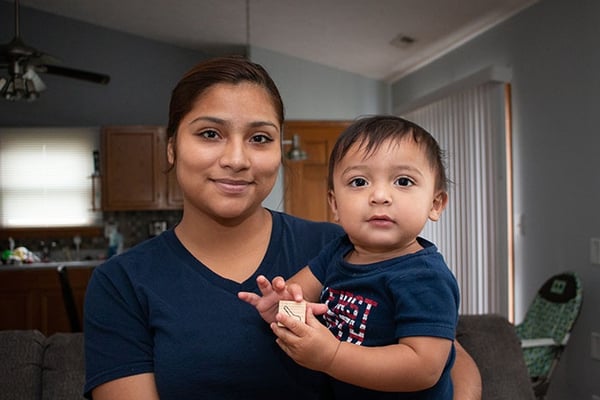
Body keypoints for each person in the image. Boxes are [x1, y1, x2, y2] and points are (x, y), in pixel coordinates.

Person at [83, 56, 481, 400]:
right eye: (210, 134)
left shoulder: (346, 248)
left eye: (259, 138)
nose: (237, 159)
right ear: (171, 147)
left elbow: (447, 361)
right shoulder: (122, 283)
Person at [239, 115, 459, 398]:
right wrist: (282, 310)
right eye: (359, 182)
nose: (380, 195)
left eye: (403, 181)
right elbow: (297, 295)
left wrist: (333, 356)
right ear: (334, 204)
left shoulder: (425, 277)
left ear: (436, 203)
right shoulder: (337, 251)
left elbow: (424, 367)